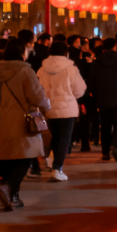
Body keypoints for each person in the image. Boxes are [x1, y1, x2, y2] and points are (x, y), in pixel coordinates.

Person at [0, 40, 51, 210]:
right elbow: (37, 96)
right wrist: (47, 105)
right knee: (27, 156)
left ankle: (12, 197)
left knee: (8, 158)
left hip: (0, 120)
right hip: (23, 120)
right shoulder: (25, 70)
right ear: (22, 52)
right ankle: (8, 188)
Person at [37, 42, 86, 181]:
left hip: (48, 108)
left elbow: (37, 89)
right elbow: (80, 90)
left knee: (55, 137)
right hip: (66, 109)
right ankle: (57, 168)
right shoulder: (71, 69)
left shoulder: (42, 69)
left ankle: (53, 164)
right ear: (66, 53)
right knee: (65, 138)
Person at [88, 38, 117, 162]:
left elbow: (92, 81)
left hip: (103, 100)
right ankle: (114, 145)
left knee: (105, 126)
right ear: (115, 47)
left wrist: (92, 96)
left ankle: (105, 154)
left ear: (103, 47)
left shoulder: (97, 62)